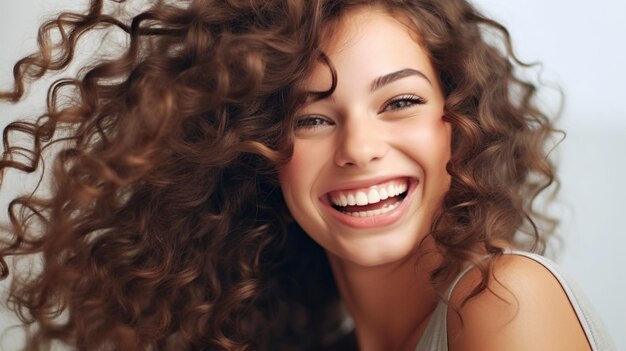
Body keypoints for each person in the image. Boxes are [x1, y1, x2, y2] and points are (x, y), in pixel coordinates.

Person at [0, 0, 615, 350]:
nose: (359, 149)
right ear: (257, 154)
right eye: (313, 119)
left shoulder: (503, 299)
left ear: (458, 123)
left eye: (400, 102)